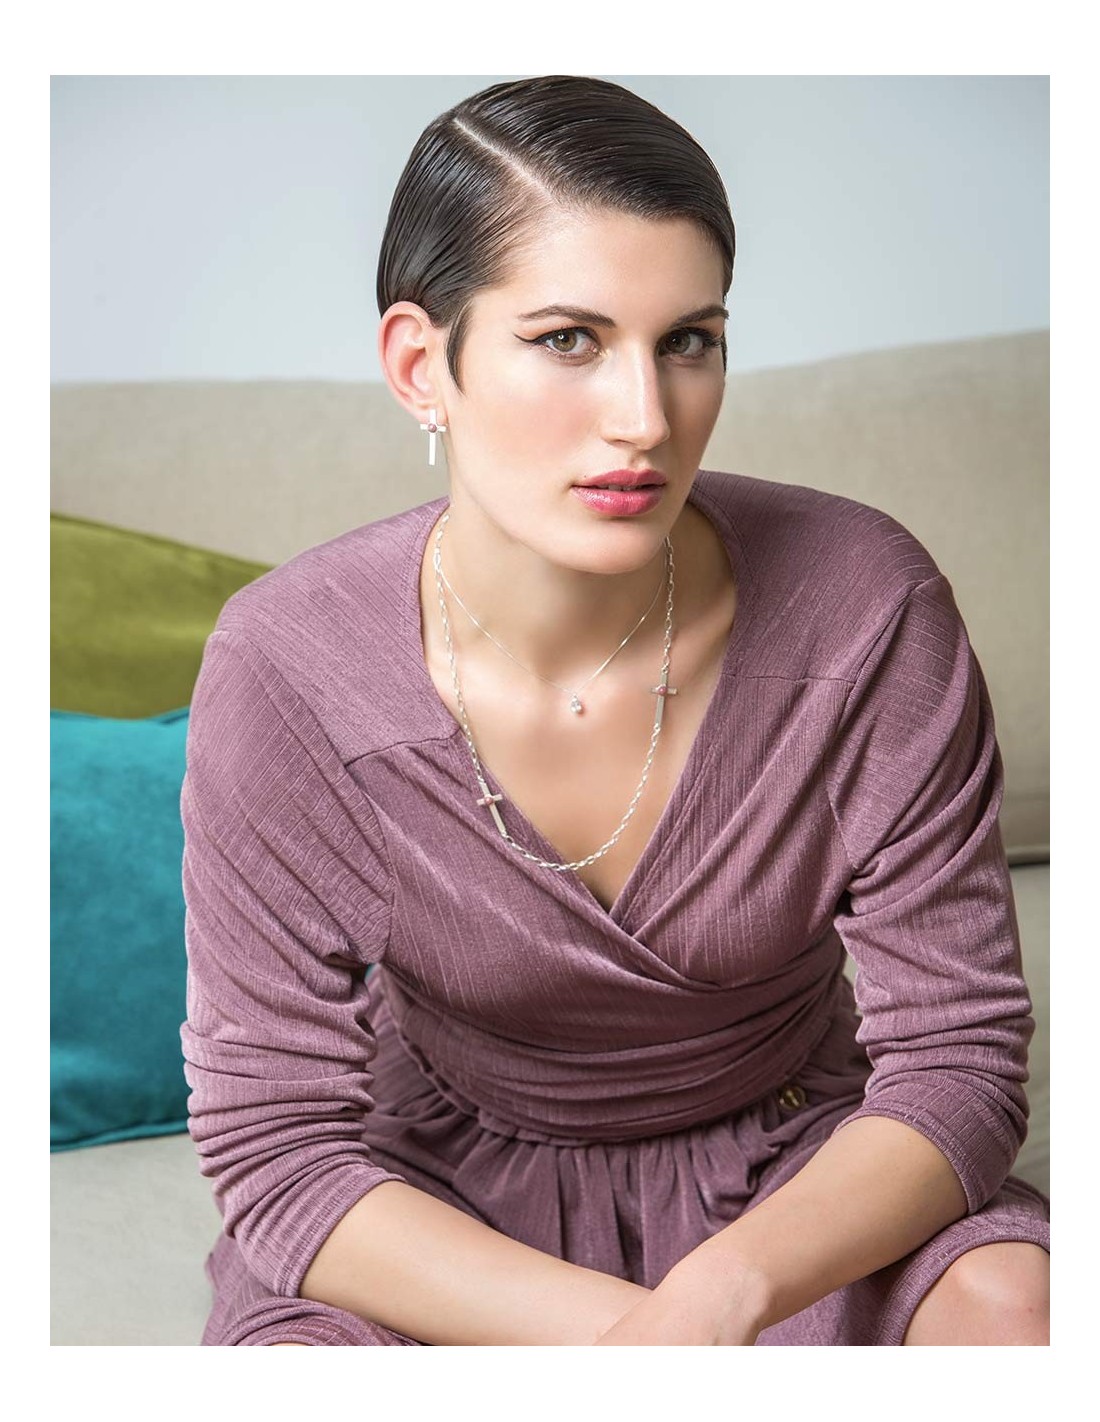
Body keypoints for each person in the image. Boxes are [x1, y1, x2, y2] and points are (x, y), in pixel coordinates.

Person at [179, 74, 1050, 1346]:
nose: (644, 419)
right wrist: (638, 1346)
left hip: (801, 1180)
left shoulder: (866, 605)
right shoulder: (285, 666)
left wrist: (721, 1299)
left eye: (686, 340)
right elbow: (276, 1146)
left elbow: (958, 1062)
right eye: (566, 340)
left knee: (1016, 1309)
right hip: (440, 1208)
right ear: (421, 365)